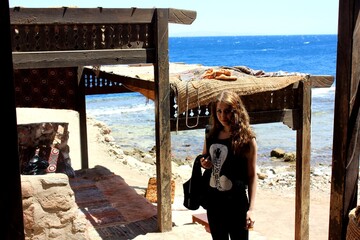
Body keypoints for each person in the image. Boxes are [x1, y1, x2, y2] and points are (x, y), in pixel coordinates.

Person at [200, 90, 257, 240]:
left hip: (237, 203)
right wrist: (204, 163)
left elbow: (252, 176)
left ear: (237, 111)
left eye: (227, 111)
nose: (222, 116)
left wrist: (251, 209)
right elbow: (204, 157)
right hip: (214, 202)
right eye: (219, 111)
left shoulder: (247, 140)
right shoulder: (210, 134)